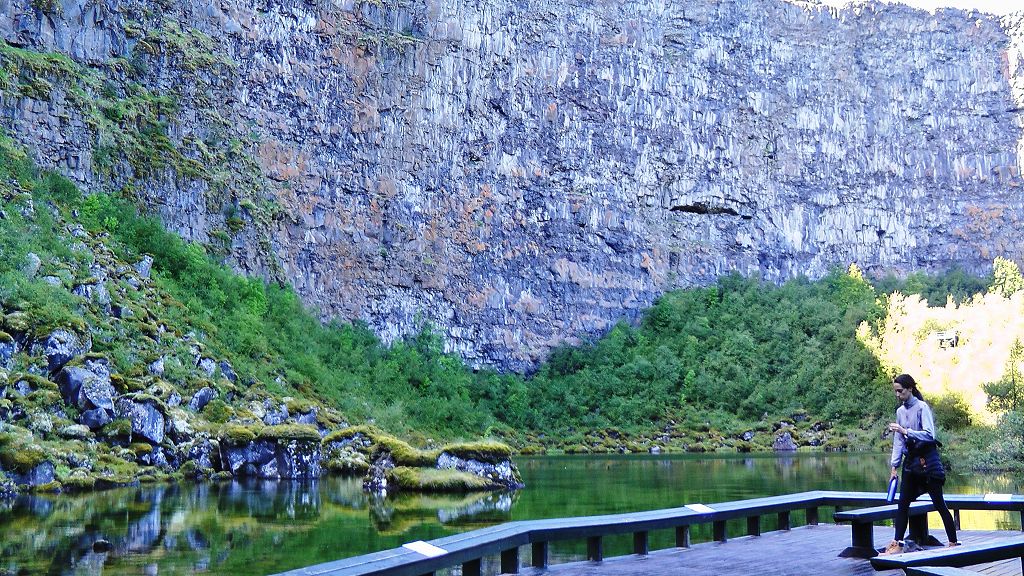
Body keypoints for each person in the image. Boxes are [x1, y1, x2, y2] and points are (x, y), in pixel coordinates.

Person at [881, 373, 959, 555]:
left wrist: (906, 431)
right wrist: (894, 466)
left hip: (927, 463)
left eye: (900, 391)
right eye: (895, 391)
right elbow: (898, 441)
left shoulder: (922, 408)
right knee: (903, 503)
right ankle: (897, 543)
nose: (897, 395)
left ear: (910, 389)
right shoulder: (900, 412)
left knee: (939, 503)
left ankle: (953, 542)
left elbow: (929, 434)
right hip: (910, 463)